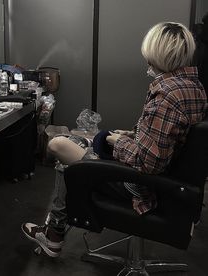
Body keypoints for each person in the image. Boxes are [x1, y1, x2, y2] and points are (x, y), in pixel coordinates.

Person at [22, 22, 207, 258]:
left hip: (142, 186)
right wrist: (128, 136)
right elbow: (168, 139)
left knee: (59, 146)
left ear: (157, 53)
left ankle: (53, 234)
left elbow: (149, 162)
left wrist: (116, 142)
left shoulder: (167, 95)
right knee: (80, 146)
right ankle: (53, 233)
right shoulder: (193, 87)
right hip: (171, 181)